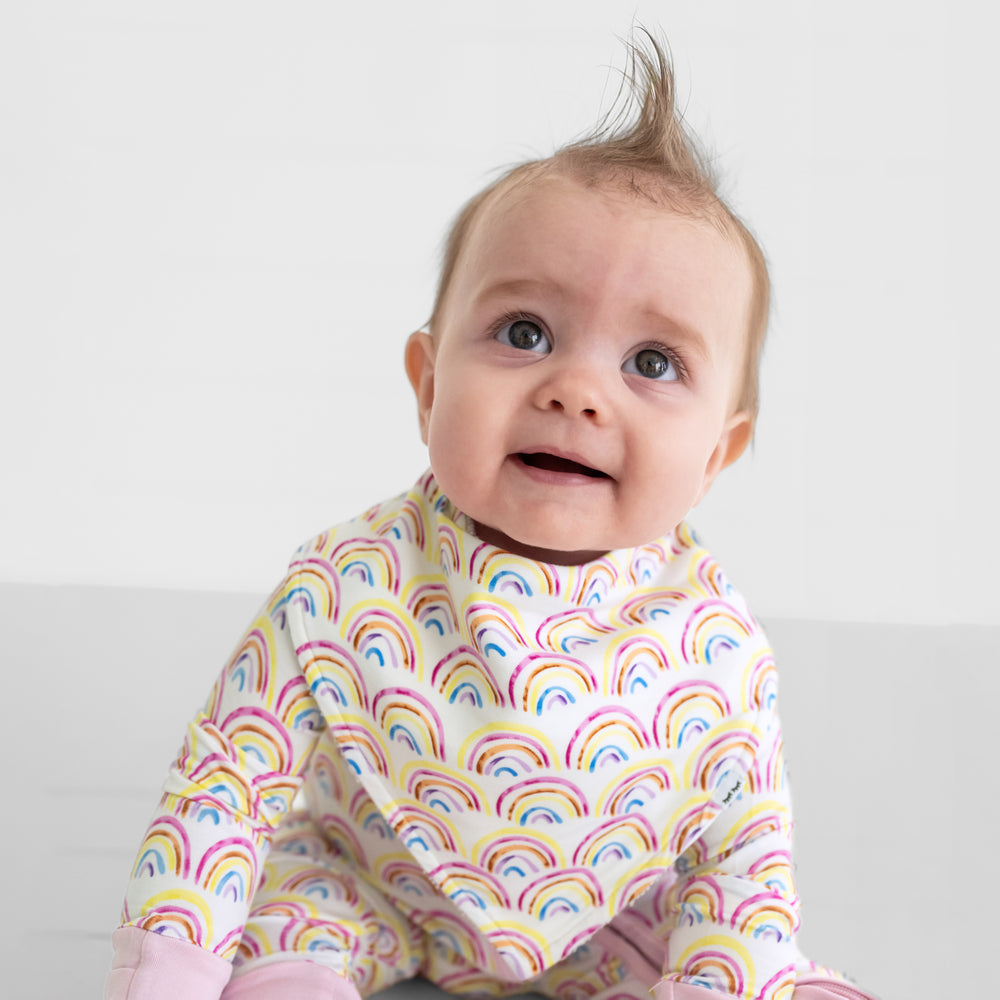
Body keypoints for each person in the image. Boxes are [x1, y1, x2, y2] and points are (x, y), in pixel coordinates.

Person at [106, 33, 877, 1000]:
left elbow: (742, 848)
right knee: (286, 937)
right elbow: (226, 782)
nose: (578, 391)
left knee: (717, 957)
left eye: (652, 363)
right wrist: (171, 966)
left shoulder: (714, 653)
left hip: (605, 920)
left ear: (717, 457)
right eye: (525, 333)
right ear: (428, 385)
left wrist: (740, 969)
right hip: (363, 883)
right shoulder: (346, 586)